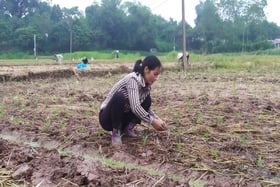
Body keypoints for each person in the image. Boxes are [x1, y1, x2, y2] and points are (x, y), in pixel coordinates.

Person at [99, 55, 167, 146]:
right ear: (146, 69)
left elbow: (147, 108)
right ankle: (116, 132)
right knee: (119, 97)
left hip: (122, 118)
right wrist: (153, 121)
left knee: (147, 100)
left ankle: (128, 128)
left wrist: (157, 118)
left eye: (157, 75)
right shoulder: (133, 79)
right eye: (155, 74)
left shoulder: (146, 87)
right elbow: (135, 107)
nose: (156, 78)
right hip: (107, 119)